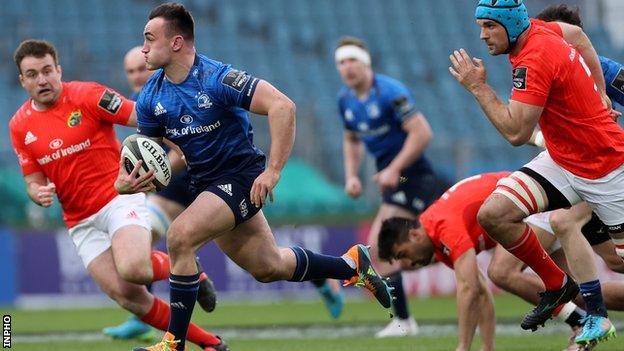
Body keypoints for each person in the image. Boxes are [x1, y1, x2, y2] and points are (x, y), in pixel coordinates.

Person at [127, 4, 393, 350]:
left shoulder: (217, 78)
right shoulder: (150, 97)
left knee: (180, 236)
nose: (143, 47)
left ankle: (174, 343)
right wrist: (131, 182)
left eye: (149, 39)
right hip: (204, 185)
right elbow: (166, 155)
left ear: (177, 42)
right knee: (269, 267)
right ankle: (351, 265)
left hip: (240, 177)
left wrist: (274, 171)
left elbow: (283, 106)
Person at [8, 39, 227, 351]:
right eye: (32, 74)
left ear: (59, 70)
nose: (42, 80)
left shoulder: (88, 95)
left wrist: (182, 145)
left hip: (118, 198)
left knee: (134, 269)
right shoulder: (19, 126)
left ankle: (189, 268)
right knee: (130, 298)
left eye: (47, 70)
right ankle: (211, 344)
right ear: (22, 80)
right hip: (79, 220)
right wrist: (37, 193)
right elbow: (32, 180)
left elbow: (143, 118)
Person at [449, 0, 624, 345]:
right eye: (481, 27)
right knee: (495, 214)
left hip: (605, 168)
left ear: (511, 26)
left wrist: (478, 88)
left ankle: (596, 313)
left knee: (618, 262)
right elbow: (577, 34)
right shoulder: (541, 30)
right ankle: (559, 287)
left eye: (489, 26)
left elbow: (515, 133)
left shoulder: (534, 60)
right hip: (562, 161)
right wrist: (601, 92)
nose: (482, 36)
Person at [378, 173, 624, 351]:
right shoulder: (438, 240)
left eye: (403, 254)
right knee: (585, 290)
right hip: (536, 212)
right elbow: (481, 292)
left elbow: (469, 288)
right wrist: (487, 347)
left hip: (535, 209)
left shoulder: (442, 225)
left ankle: (579, 324)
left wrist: (463, 347)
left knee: (502, 271)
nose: (408, 263)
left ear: (413, 235)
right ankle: (581, 323)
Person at [103, 46, 217, 341]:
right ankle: (143, 313)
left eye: (141, 68)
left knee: (262, 262)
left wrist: (159, 169)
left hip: (201, 179)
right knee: (143, 239)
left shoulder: (170, 97)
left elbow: (184, 152)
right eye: (130, 71)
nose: (136, 76)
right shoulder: (139, 104)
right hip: (172, 187)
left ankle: (318, 275)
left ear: (155, 65)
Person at [334, 35, 438, 337]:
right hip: (393, 181)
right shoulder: (346, 100)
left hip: (412, 176)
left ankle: (404, 322)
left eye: (352, 60)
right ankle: (403, 320)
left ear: (365, 63)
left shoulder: (390, 92)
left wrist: (394, 168)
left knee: (382, 245)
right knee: (394, 249)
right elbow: (352, 138)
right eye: (341, 62)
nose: (347, 67)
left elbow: (422, 133)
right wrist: (351, 175)